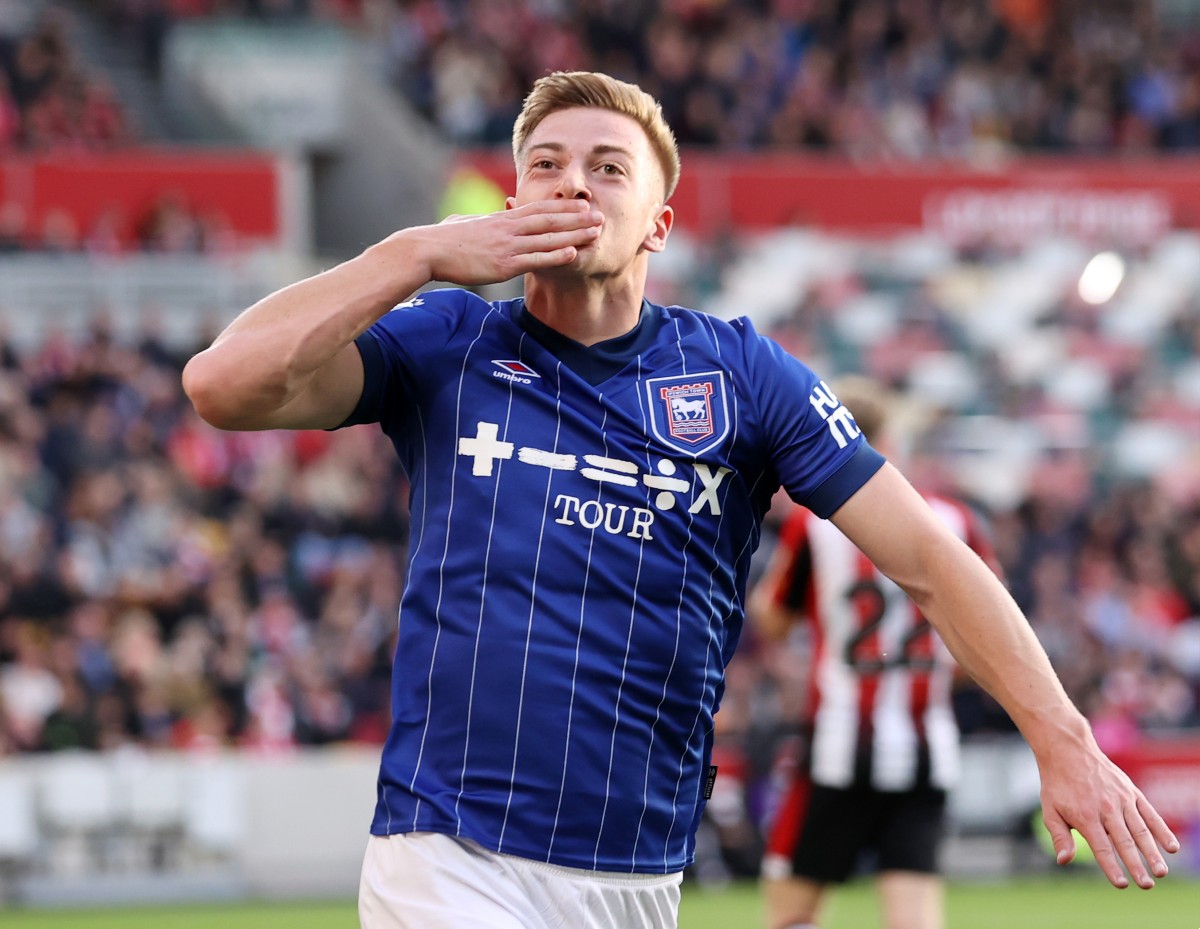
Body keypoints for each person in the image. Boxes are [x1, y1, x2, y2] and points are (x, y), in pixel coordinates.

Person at [182, 71, 1178, 929]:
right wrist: (413, 254)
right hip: (450, 851)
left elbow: (930, 559)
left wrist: (1067, 742)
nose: (573, 182)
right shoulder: (448, 340)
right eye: (547, 163)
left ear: (658, 220)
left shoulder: (742, 373)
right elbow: (221, 385)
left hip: (639, 868)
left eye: (609, 166)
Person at [750, 377, 999, 929]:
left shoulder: (813, 525)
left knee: (790, 912)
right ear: (890, 440)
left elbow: (771, 617)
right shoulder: (958, 522)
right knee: (913, 915)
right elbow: (987, 634)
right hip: (926, 742)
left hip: (839, 740)